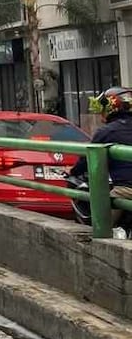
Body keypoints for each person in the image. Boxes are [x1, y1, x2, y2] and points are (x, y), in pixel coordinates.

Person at [69, 87, 132, 236]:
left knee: (101, 227)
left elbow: (87, 160)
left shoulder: (106, 132)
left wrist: (72, 172)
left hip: (126, 191)